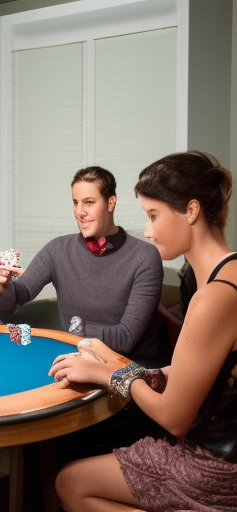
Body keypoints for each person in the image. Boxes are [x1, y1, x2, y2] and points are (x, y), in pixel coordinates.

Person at [50, 151, 237, 511]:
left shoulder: (213, 298)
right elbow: (192, 375)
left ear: (192, 211)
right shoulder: (230, 272)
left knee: (70, 483)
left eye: (153, 215)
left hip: (217, 466)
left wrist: (113, 374)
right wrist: (114, 367)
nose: (148, 230)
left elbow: (174, 418)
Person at [0, 166, 169, 369]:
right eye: (75, 203)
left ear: (111, 203)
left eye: (89, 203)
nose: (79, 212)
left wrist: (76, 329)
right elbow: (7, 309)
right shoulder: (57, 250)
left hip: (131, 371)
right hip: (80, 363)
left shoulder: (145, 257)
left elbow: (126, 338)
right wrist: (3, 288)